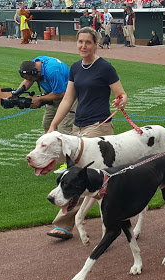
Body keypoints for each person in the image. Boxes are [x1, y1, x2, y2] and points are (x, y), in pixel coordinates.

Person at [45, 27, 128, 239]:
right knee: (79, 177)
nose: (83, 46)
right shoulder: (75, 68)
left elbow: (121, 94)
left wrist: (121, 101)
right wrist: (54, 125)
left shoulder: (105, 68)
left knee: (82, 178)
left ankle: (65, 225)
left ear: (95, 44)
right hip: (78, 128)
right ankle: (111, 219)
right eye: (80, 42)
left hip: (99, 128)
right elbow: (67, 99)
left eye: (88, 42)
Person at [17, 56, 76, 137]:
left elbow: (60, 93)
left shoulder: (52, 71)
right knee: (47, 126)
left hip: (69, 97)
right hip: (53, 96)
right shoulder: (35, 64)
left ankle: (72, 148)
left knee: (64, 128)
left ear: (35, 72)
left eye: (31, 78)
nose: (31, 80)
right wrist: (15, 94)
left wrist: (39, 99)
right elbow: (28, 80)